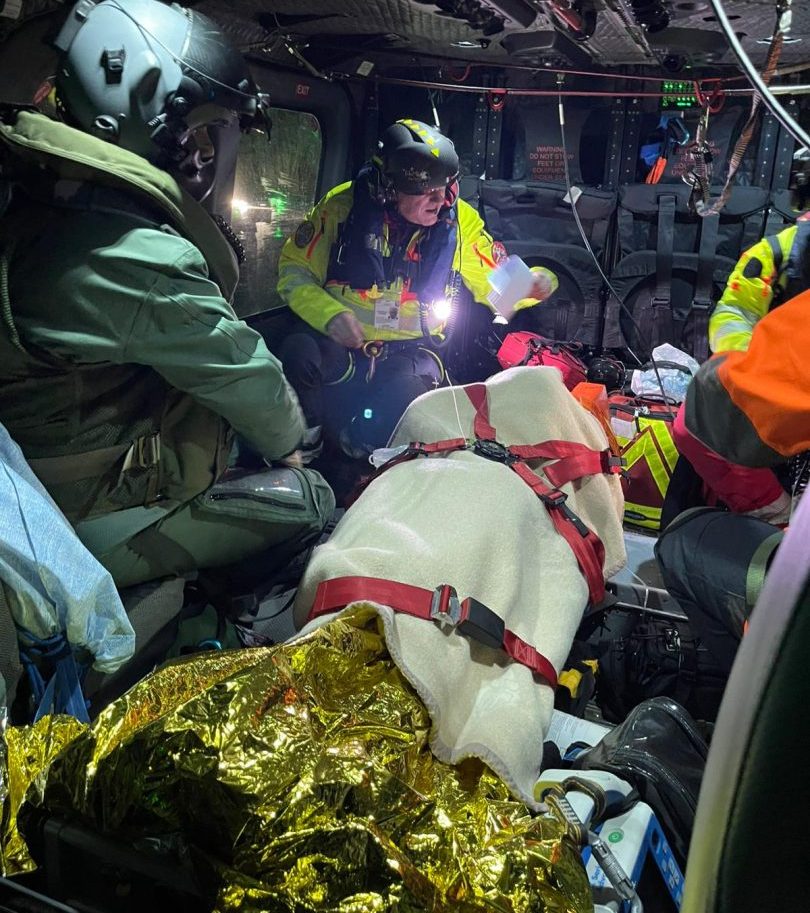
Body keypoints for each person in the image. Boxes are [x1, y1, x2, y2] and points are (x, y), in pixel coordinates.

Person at [0, 0, 334, 589]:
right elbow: (245, 375)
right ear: (149, 115)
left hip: (28, 486)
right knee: (311, 495)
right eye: (201, 130)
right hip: (76, 522)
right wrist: (290, 444)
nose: (206, 154)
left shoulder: (35, 197)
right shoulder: (132, 252)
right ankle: (209, 625)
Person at [277, 118, 558, 459]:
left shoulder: (460, 222)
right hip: (341, 347)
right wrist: (329, 315)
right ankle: (304, 448)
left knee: (406, 391)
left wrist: (537, 282)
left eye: (445, 188)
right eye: (425, 191)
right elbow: (294, 272)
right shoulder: (341, 209)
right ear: (389, 187)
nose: (438, 201)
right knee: (298, 353)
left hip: (411, 352)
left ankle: (363, 453)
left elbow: (496, 286)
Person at [669, 211, 810, 525]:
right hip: (773, 385)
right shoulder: (780, 251)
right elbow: (735, 310)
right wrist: (747, 361)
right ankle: (774, 513)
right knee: (692, 424)